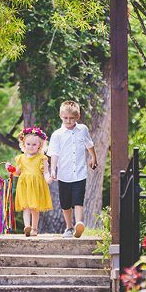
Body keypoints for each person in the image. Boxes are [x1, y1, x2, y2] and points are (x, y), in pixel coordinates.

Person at [47, 100, 98, 238]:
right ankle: (69, 227)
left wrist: (94, 157)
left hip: (80, 173)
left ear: (78, 117)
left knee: (78, 200)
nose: (68, 121)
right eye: (66, 118)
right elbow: (54, 153)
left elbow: (89, 144)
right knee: (65, 204)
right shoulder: (57, 135)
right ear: (60, 116)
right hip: (64, 174)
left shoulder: (83, 129)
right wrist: (53, 170)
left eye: (71, 118)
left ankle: (79, 224)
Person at [7, 127, 53, 237]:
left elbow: (45, 172)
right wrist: (11, 169)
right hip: (24, 185)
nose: (30, 147)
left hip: (36, 185)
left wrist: (48, 178)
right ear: (24, 144)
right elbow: (18, 173)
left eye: (34, 144)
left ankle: (34, 228)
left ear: (39, 145)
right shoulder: (21, 158)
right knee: (25, 207)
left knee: (34, 208)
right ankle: (27, 226)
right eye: (28, 144)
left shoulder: (42, 158)